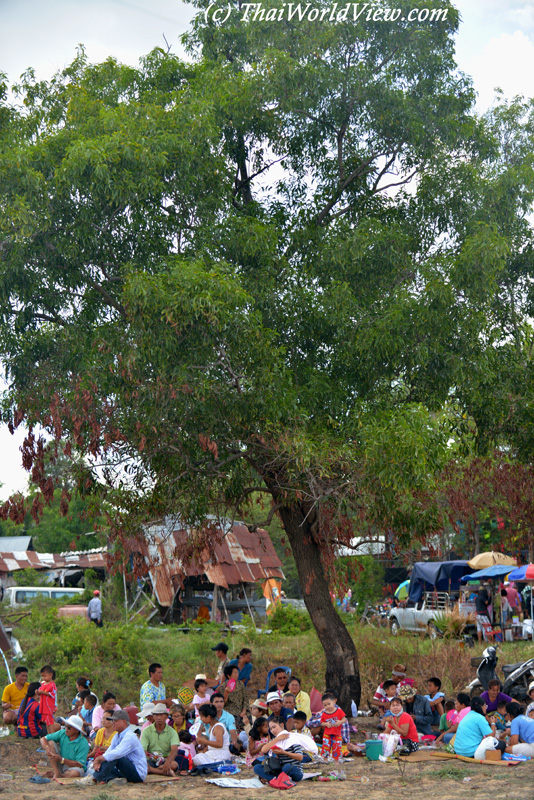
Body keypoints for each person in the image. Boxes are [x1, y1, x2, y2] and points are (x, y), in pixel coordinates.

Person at [79, 709, 147, 785]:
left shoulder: (129, 736)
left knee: (114, 757)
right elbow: (109, 752)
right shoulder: (117, 735)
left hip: (138, 773)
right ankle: (114, 779)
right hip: (126, 770)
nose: (113, 723)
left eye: (116, 721)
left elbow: (117, 753)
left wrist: (99, 759)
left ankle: (94, 779)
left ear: (124, 721)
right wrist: (100, 761)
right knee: (108, 760)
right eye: (112, 721)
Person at [253, 716, 317, 784]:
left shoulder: (292, 738)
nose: (273, 730)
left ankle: (276, 779)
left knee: (287, 767)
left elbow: (300, 757)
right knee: (257, 767)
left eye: (274, 727)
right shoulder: (275, 740)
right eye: (271, 729)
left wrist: (283, 752)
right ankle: (279, 779)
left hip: (294, 771)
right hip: (281, 770)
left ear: (282, 725)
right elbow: (263, 750)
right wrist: (277, 739)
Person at [140, 703, 180, 776]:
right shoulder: (146, 730)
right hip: (150, 759)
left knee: (174, 764)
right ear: (153, 716)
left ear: (166, 716)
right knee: (141, 765)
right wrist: (144, 761)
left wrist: (168, 761)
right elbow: (143, 749)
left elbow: (174, 750)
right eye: (156, 715)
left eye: (161, 715)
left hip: (165, 759)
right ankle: (162, 771)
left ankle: (153, 770)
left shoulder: (172, 732)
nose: (159, 718)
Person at [193, 703, 232, 767]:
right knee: (196, 758)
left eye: (202, 717)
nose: (201, 719)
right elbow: (210, 744)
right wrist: (203, 752)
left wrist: (204, 741)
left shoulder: (218, 727)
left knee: (197, 760)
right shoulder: (212, 726)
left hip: (221, 754)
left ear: (208, 717)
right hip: (213, 753)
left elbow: (220, 744)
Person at [319, 691, 346, 760]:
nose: (327, 706)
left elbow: (344, 719)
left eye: (329, 704)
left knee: (337, 746)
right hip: (327, 734)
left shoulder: (339, 711)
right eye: (325, 705)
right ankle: (325, 759)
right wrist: (326, 724)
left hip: (337, 733)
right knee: (325, 747)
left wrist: (340, 722)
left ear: (334, 702)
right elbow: (321, 722)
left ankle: (336, 760)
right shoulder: (324, 714)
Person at [37, 665, 57, 734]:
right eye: (42, 676)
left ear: (50, 675)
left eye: (45, 676)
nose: (43, 678)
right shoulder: (43, 684)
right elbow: (39, 691)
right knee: (46, 721)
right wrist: (38, 692)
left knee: (50, 722)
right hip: (43, 706)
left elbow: (52, 694)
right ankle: (49, 735)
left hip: (49, 706)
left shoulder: (52, 684)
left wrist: (42, 692)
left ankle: (52, 735)